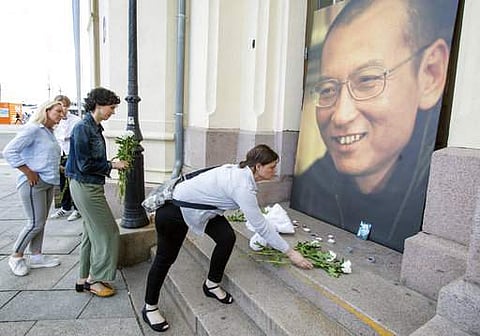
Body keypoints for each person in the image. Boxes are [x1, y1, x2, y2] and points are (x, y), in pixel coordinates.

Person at [291, 0, 458, 252]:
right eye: (327, 89)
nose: (340, 116)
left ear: (431, 74)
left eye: (368, 80)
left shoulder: (442, 203)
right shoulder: (312, 186)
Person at [142, 144, 313, 332]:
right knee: (165, 259)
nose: (275, 171)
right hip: (173, 212)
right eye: (271, 167)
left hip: (202, 211)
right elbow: (261, 226)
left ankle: (211, 284)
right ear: (257, 166)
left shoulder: (241, 171)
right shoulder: (242, 186)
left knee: (226, 238)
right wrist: (290, 252)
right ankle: (150, 307)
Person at [66, 87, 128, 297]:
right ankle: (95, 280)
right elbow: (85, 164)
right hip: (86, 187)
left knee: (90, 234)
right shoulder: (84, 128)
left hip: (87, 185)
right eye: (111, 107)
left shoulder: (92, 126)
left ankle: (83, 279)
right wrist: (112, 165)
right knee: (109, 233)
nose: (113, 111)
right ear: (99, 105)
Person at [2, 101, 65, 276]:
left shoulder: (48, 132)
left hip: (47, 182)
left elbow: (43, 157)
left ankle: (36, 256)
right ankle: (16, 256)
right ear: (46, 110)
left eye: (62, 112)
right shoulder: (33, 129)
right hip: (33, 183)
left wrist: (60, 169)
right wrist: (27, 171)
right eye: (58, 111)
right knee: (35, 223)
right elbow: (9, 151)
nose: (62, 115)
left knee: (40, 222)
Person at [50, 95, 82, 221]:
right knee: (63, 182)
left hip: (71, 153)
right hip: (60, 153)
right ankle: (64, 207)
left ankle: (77, 208)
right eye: (58, 105)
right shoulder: (54, 121)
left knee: (73, 181)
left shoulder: (76, 120)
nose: (61, 108)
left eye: (63, 105)